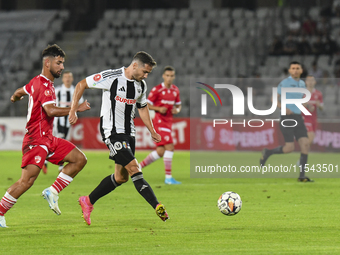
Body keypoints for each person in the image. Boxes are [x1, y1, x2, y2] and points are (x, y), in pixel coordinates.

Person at [69, 51, 169, 225]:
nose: (146, 76)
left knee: (121, 177)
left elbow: (142, 107)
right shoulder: (112, 77)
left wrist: (151, 130)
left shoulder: (141, 86)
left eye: (148, 73)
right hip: (112, 132)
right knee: (134, 168)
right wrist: (73, 110)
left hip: (129, 133)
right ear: (135, 65)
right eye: (145, 72)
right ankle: (157, 205)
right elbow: (82, 84)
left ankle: (88, 200)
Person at [0, 44, 90, 228]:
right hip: (36, 139)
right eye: (59, 63)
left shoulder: (37, 82)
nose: (62, 67)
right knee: (27, 181)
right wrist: (75, 108)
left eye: (62, 63)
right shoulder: (43, 85)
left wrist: (14, 98)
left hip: (48, 138)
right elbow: (50, 110)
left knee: (79, 159)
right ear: (47, 63)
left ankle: (53, 191)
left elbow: (19, 91)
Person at [260, 61, 312, 182]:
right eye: (293, 68)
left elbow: (302, 101)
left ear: (301, 70)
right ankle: (268, 152)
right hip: (286, 118)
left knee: (305, 144)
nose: (295, 70)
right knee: (289, 148)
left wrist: (304, 106)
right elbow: (274, 99)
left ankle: (302, 176)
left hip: (298, 118)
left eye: (297, 68)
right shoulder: (285, 83)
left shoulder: (302, 84)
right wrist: (283, 108)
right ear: (289, 71)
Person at [140, 66, 182, 184]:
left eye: (171, 76)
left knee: (160, 151)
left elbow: (179, 105)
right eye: (167, 76)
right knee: (170, 147)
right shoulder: (157, 90)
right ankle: (168, 178)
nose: (169, 78)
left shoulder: (175, 90)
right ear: (163, 76)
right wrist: (158, 108)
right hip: (158, 122)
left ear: (174, 77)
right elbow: (146, 104)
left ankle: (137, 168)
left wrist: (177, 110)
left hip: (168, 122)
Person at [42, 71, 84, 174]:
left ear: (72, 79)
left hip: (68, 121)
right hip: (58, 120)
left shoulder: (76, 91)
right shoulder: (57, 91)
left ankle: (45, 159)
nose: (67, 79)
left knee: (61, 141)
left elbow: (80, 104)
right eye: (65, 77)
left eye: (69, 77)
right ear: (62, 79)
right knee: (60, 140)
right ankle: (60, 166)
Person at [302, 75, 324, 146]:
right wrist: (308, 106)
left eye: (312, 81)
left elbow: (322, 108)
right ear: (306, 82)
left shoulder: (318, 93)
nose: (310, 82)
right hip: (305, 118)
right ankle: (303, 154)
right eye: (309, 81)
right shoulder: (302, 93)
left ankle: (303, 155)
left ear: (315, 82)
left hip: (314, 119)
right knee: (310, 137)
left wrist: (319, 105)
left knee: (310, 140)